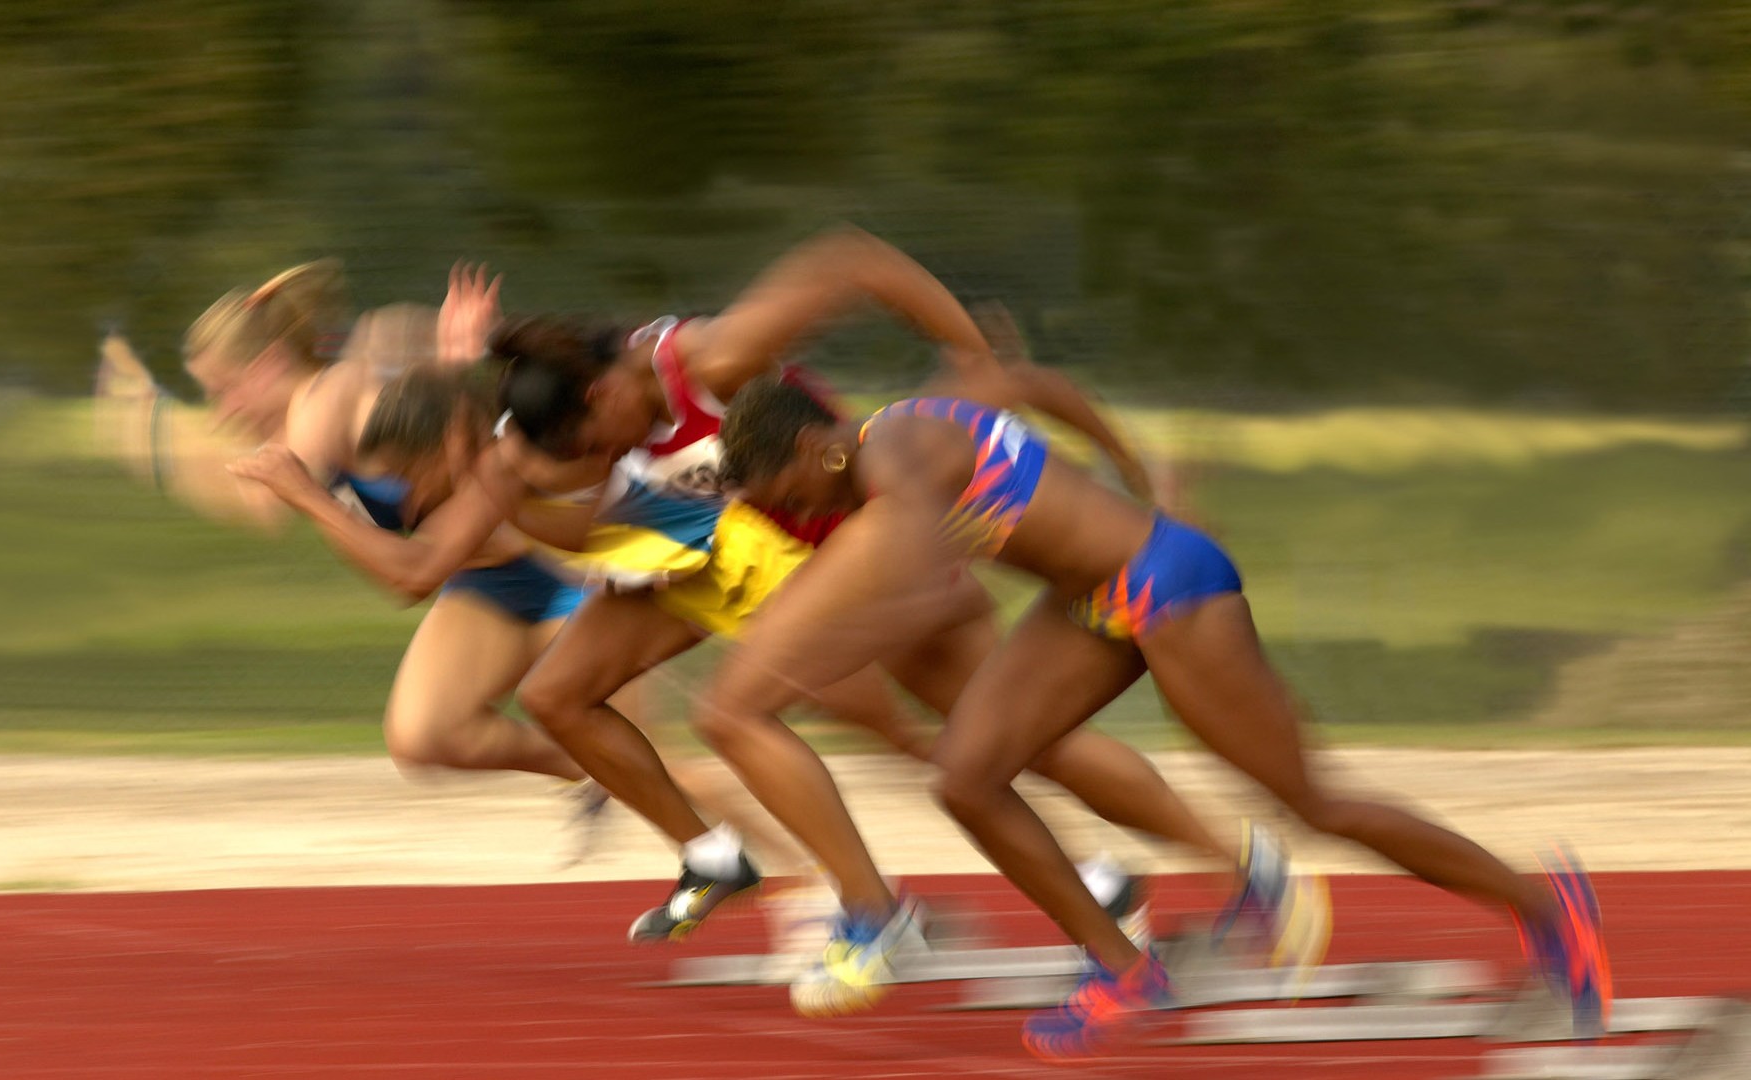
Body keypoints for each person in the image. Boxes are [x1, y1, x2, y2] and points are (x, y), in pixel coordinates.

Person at [229, 233, 1259, 995]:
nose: (594, 462)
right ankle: (749, 863)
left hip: (846, 533)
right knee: (566, 693)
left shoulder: (695, 363)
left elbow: (853, 263)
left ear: (608, 396)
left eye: (600, 444)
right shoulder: (520, 445)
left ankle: (1215, 868)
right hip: (716, 562)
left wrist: (968, 352)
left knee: (975, 727)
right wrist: (317, 497)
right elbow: (420, 570)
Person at [713, 358, 1613, 1058]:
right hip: (1091, 602)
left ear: (814, 450)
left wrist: (783, 667)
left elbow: (903, 575)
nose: (799, 516)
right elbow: (1011, 397)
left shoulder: (891, 454)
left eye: (791, 497)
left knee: (1315, 803)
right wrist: (1125, 462)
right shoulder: (898, 437)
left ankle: (1547, 906)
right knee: (966, 776)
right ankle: (1125, 969)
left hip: (1170, 589)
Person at [94, 261, 618, 849]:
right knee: (426, 736)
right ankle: (595, 768)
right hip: (489, 581)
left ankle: (662, 793)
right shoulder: (323, 409)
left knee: (677, 765)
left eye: (222, 391)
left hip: (562, 564)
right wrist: (453, 361)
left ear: (267, 367)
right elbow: (425, 423)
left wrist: (152, 434)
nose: (222, 412)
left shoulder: (324, 398)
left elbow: (261, 507)